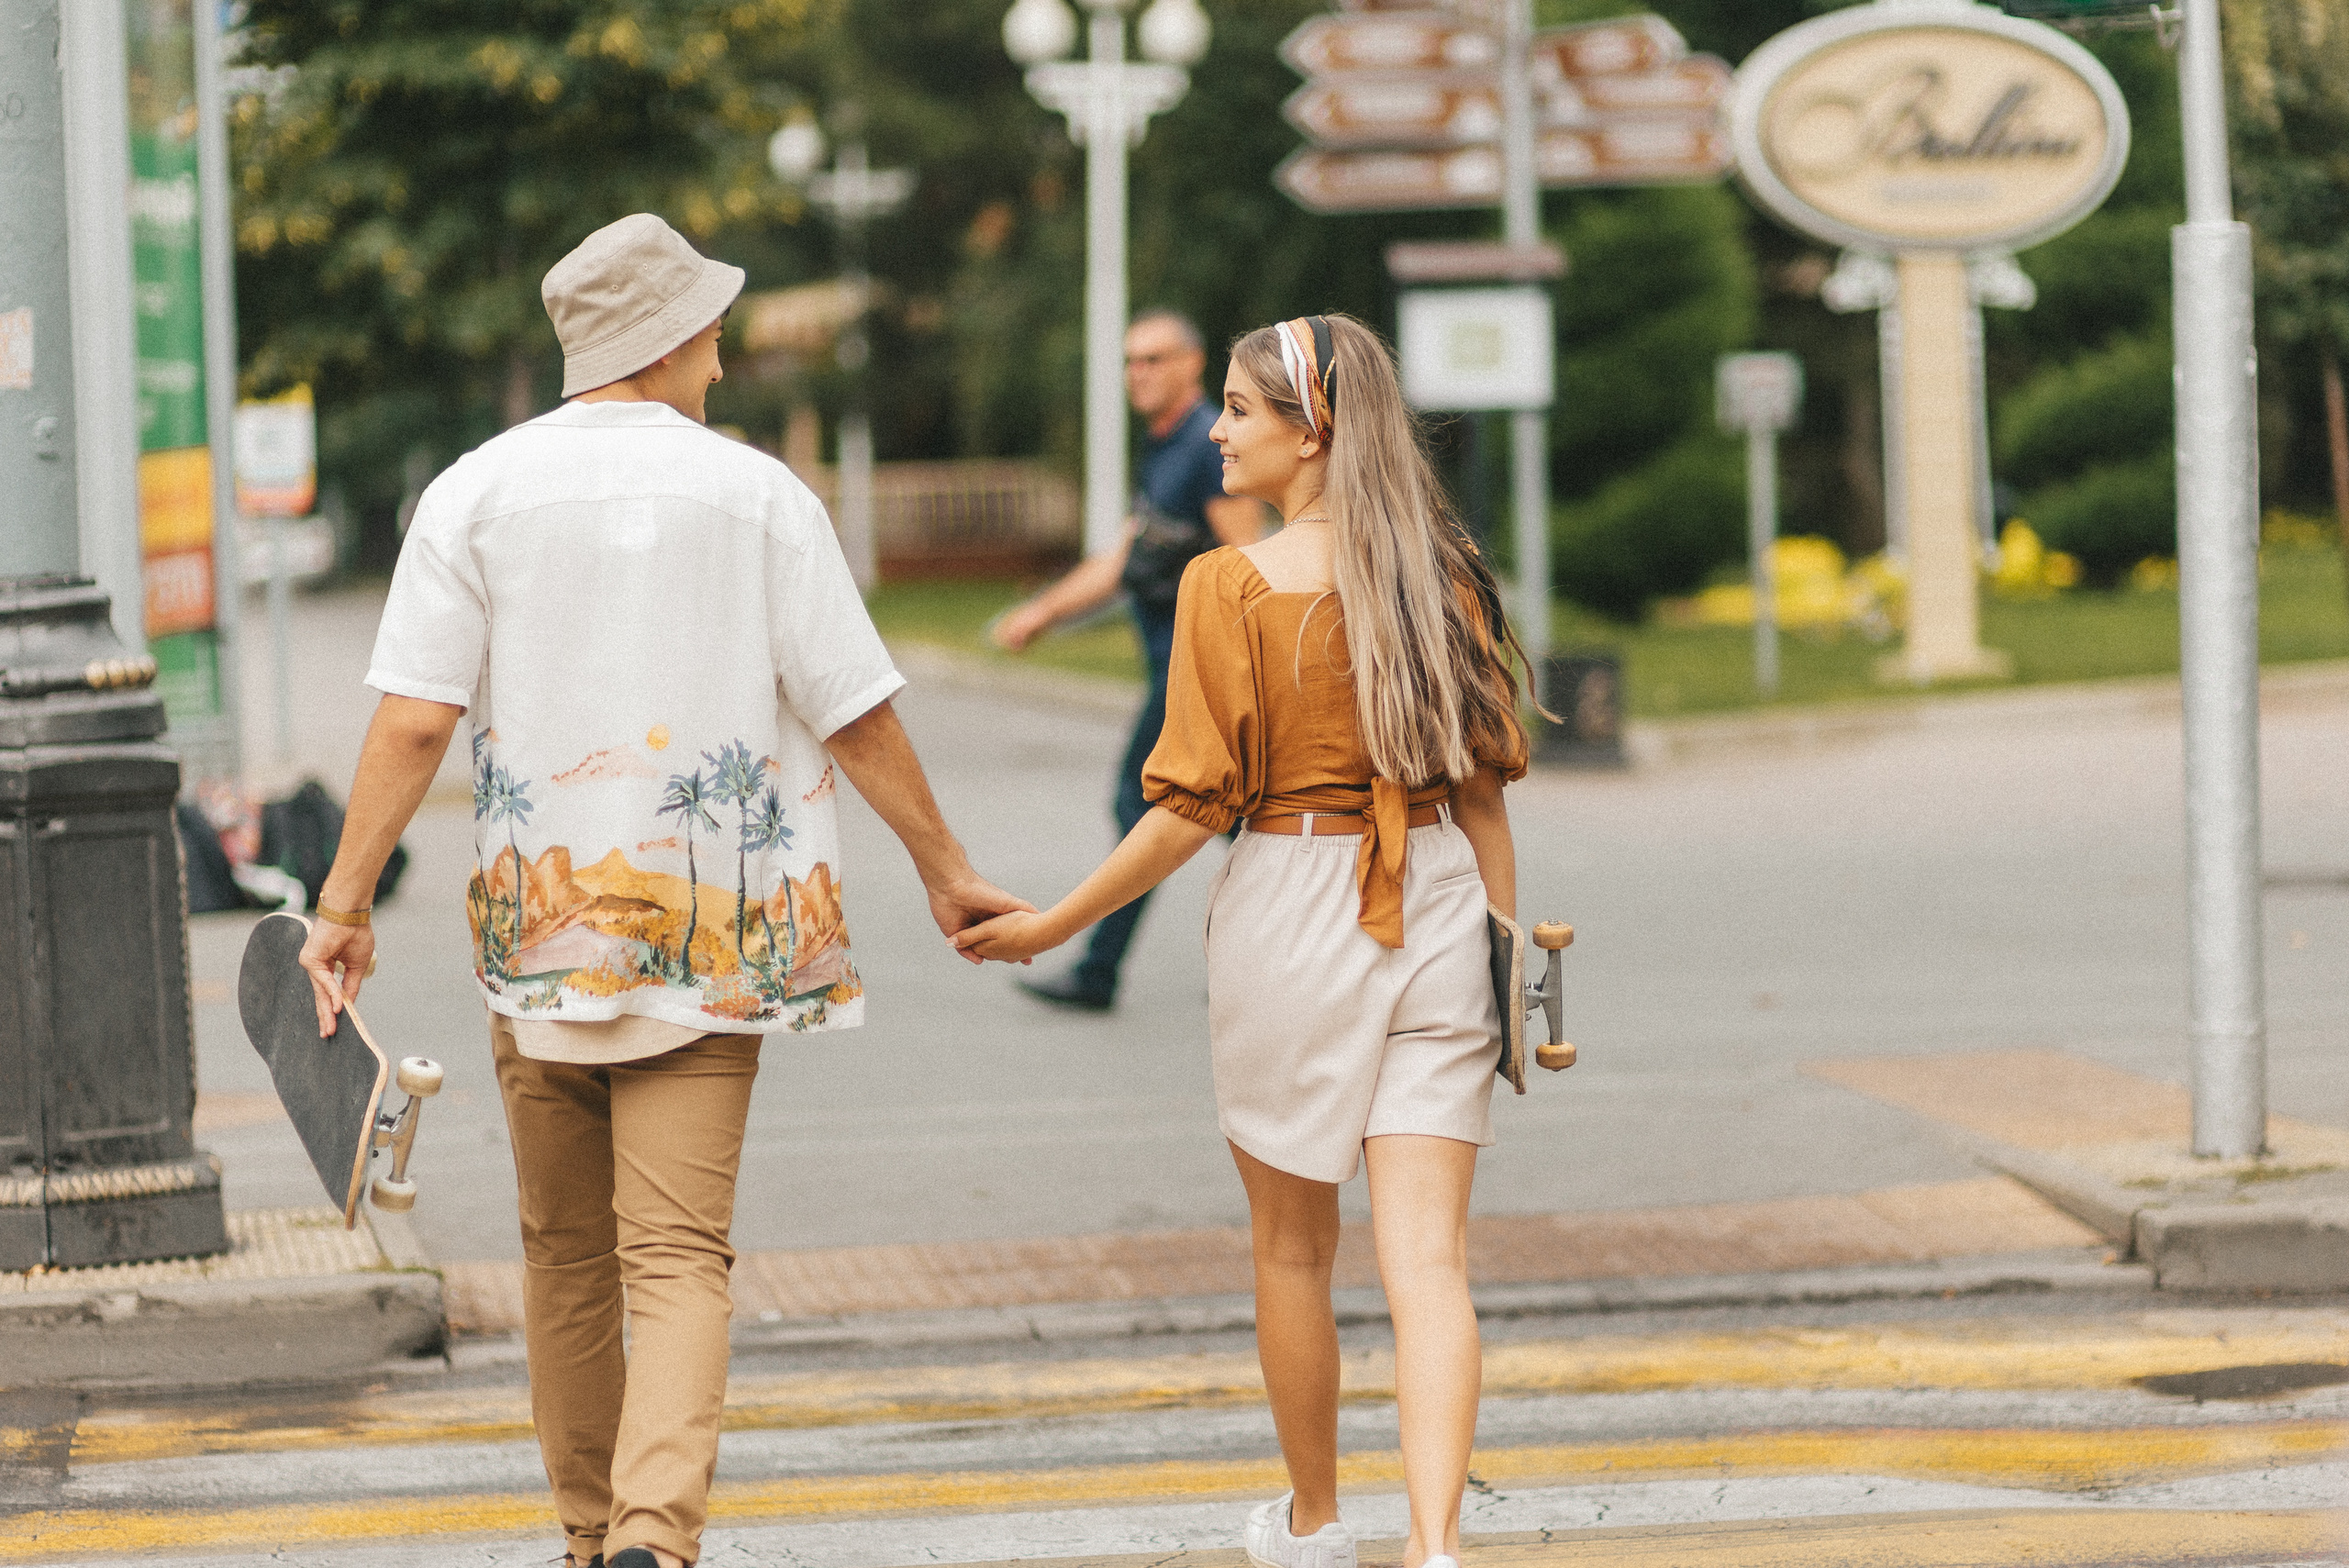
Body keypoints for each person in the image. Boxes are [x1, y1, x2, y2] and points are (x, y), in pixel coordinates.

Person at [295, 213, 1025, 1568]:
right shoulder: (761, 498)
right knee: (680, 1256)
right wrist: (946, 867)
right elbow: (854, 707)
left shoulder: (471, 493)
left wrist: (342, 907)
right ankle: (654, 1538)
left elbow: (413, 720)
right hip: (716, 949)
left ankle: (590, 1539)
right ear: (669, 340)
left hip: (538, 951)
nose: (723, 363)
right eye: (713, 335)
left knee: (565, 1258)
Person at [955, 314, 1535, 1568]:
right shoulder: (1441, 573)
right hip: (1437, 894)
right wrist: (1502, 955)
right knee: (1430, 1259)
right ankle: (1437, 1547)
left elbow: (1184, 813)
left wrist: (1051, 924)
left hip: (1293, 896)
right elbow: (1486, 794)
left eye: (1237, 408)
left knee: (1291, 1246)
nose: (1214, 431)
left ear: (1309, 430)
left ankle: (1316, 1526)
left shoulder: (1228, 586)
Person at [989, 309, 1264, 1011]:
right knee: (1216, 813)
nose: (1137, 373)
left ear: (1192, 364)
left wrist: (1237, 669)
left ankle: (1103, 971)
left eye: (1153, 359)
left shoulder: (1206, 447)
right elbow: (1121, 558)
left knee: (1150, 804)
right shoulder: (1162, 445)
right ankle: (1277, 940)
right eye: (1130, 361)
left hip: (1197, 669)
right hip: (1169, 666)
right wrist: (1043, 613)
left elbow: (1250, 561)